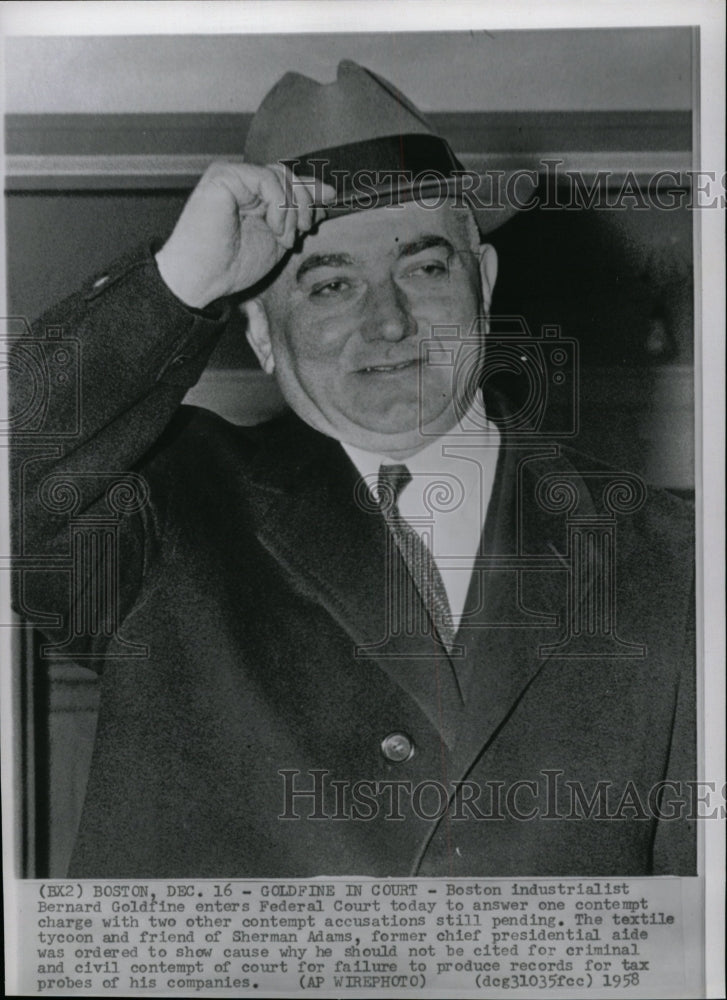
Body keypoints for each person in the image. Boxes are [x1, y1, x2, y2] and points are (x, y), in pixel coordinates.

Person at [11, 61, 695, 878]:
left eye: (424, 268)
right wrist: (179, 280)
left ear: (481, 285)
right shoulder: (163, 508)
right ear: (261, 336)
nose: (388, 322)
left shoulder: (675, 556)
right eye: (331, 285)